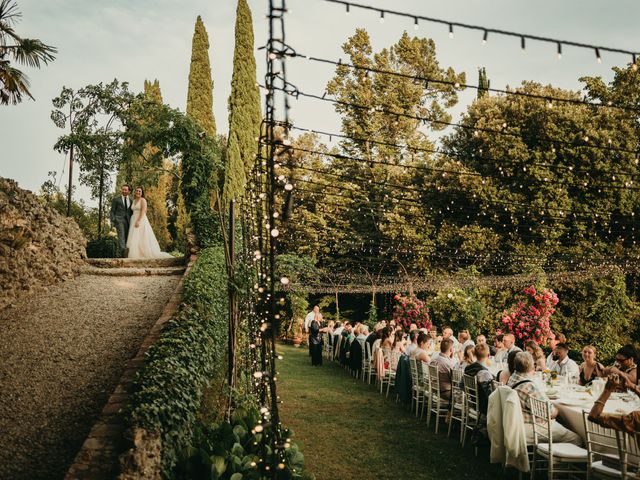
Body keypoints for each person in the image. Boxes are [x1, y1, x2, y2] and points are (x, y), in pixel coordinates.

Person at [508, 352, 582, 445]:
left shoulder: (513, 378)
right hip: (529, 427)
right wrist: (558, 410)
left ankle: (550, 453)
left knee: (561, 426)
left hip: (515, 423)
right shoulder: (528, 386)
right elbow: (551, 413)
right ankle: (554, 457)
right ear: (531, 365)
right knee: (576, 439)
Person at [126, 186, 172, 259]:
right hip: (133, 219)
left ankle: (145, 253)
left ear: (141, 193)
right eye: (137, 191)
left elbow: (143, 211)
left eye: (139, 191)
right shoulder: (134, 201)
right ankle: (137, 253)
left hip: (140, 219)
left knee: (142, 236)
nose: (138, 192)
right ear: (135, 192)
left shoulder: (143, 200)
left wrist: (138, 220)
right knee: (135, 237)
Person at [464, 343, 494, 416]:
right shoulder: (484, 373)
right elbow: (490, 394)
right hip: (483, 406)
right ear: (488, 355)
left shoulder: (468, 368)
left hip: (473, 401)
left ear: (475, 354)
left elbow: (462, 386)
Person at [429, 338, 456, 403]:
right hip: (446, 393)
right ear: (451, 349)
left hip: (435, 390)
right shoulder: (449, 364)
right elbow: (455, 380)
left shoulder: (433, 359)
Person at [110, 184, 133, 254]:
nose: (124, 191)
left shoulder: (131, 201)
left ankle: (124, 253)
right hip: (119, 220)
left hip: (128, 221)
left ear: (129, 191)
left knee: (127, 237)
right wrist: (114, 220)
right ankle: (123, 252)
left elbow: (132, 212)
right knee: (121, 236)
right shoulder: (116, 199)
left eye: (125, 190)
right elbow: (112, 211)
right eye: (123, 189)